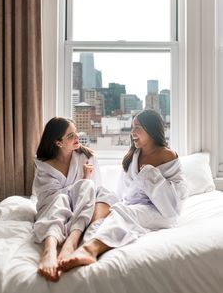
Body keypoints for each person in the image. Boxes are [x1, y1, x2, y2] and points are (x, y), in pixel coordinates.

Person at [57, 109, 188, 272]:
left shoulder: (167, 155)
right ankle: (79, 242)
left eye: (137, 127)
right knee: (103, 206)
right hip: (132, 206)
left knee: (124, 212)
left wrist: (150, 175)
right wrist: (112, 207)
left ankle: (91, 249)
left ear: (151, 129)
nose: (132, 132)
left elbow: (174, 203)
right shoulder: (134, 155)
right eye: (132, 128)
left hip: (161, 210)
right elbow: (124, 191)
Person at [33, 117, 118, 282]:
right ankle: (49, 249)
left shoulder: (87, 157)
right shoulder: (45, 166)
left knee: (94, 189)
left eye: (76, 132)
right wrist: (83, 181)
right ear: (58, 143)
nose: (77, 137)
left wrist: (86, 180)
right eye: (71, 135)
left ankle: (71, 242)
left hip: (85, 204)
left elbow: (95, 190)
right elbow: (48, 198)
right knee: (61, 199)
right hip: (55, 207)